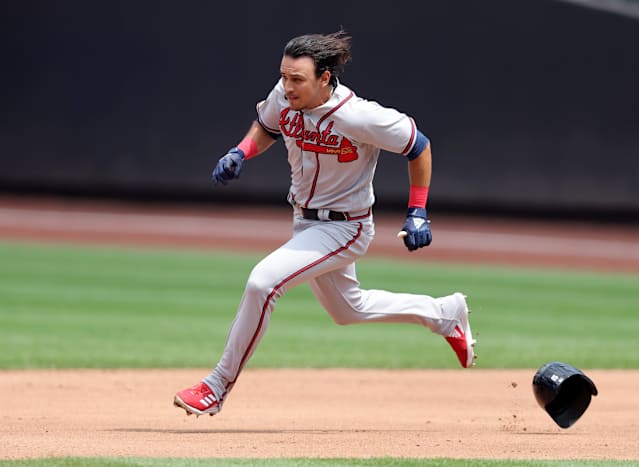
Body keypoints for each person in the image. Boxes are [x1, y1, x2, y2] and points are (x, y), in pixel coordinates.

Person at [174, 30, 476, 417]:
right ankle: (444, 313)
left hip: (345, 228)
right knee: (348, 310)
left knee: (262, 282)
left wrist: (417, 211)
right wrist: (241, 152)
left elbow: (419, 145)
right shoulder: (285, 96)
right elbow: (266, 127)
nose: (287, 86)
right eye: (284, 76)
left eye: (297, 79)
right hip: (304, 221)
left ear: (325, 79)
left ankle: (216, 386)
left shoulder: (359, 116)